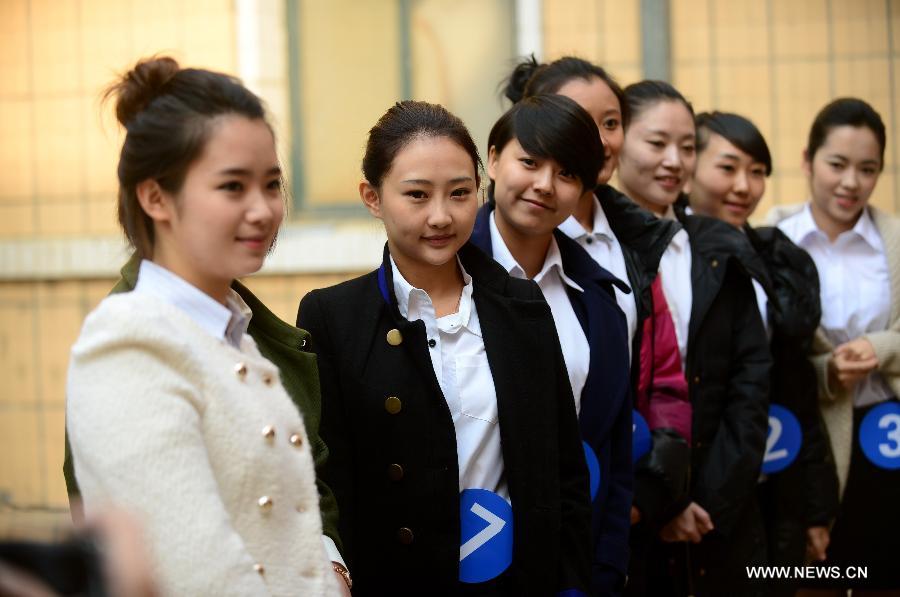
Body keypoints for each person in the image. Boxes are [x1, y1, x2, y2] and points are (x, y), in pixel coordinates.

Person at [65, 56, 341, 596]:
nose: (263, 210)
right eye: (233, 187)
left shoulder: (235, 335)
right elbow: (193, 572)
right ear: (155, 197)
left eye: (271, 184)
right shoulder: (130, 345)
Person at [296, 100, 592, 596]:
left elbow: (562, 470)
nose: (441, 216)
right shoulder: (333, 317)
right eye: (416, 195)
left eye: (460, 193)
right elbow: (329, 479)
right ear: (372, 196)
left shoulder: (521, 304)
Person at [502, 56, 690, 551]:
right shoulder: (493, 245)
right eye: (582, 122)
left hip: (607, 511)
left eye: (611, 123)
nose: (601, 141)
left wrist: (644, 491)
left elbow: (662, 381)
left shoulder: (635, 244)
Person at [468, 92, 632, 595]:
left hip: (564, 555)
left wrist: (601, 570)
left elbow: (614, 449)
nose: (544, 185)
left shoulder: (599, 299)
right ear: (493, 160)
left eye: (566, 174)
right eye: (530, 162)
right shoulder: (440, 276)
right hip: (466, 545)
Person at [617, 81, 771, 596]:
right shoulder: (593, 248)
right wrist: (658, 500)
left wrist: (705, 500)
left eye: (687, 147)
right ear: (617, 141)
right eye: (657, 143)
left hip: (716, 505)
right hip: (628, 504)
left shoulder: (718, 248)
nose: (674, 161)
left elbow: (751, 381)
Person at [688, 111, 839, 596]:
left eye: (757, 172)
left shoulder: (775, 257)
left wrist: (815, 508)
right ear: (689, 165)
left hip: (774, 476)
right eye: (728, 168)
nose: (745, 187)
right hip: (692, 488)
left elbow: (794, 387)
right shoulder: (662, 255)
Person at [773, 98, 900, 593]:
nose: (851, 182)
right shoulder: (773, 238)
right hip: (805, 439)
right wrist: (823, 371)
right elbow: (767, 351)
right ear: (807, 160)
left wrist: (883, 347)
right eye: (837, 164)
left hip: (887, 434)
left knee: (882, 573)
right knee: (811, 577)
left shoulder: (894, 241)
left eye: (867, 169)